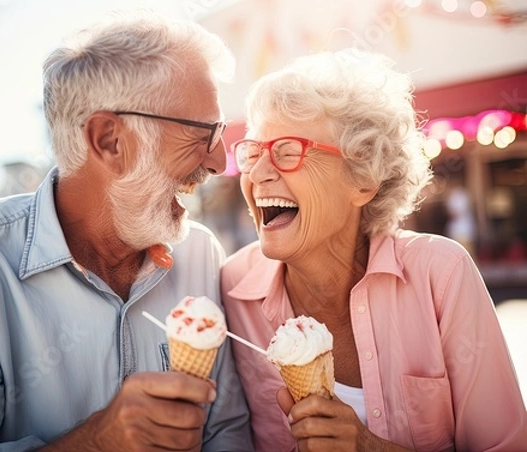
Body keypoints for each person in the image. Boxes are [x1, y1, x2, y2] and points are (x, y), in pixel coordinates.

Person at [0, 13, 253, 452]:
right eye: (202, 134)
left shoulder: (201, 253)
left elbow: (226, 430)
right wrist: (98, 441)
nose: (217, 162)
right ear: (109, 140)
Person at [221, 49, 527, 451]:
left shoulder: (441, 274)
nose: (258, 173)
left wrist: (369, 446)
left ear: (363, 180)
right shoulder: (231, 288)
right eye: (254, 152)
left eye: (287, 151)